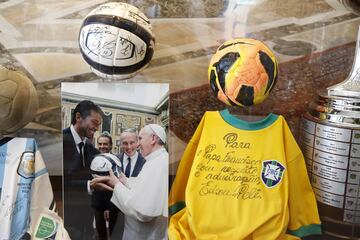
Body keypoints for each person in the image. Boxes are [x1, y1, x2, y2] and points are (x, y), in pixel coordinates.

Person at [91, 124, 168, 240]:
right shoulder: (155, 161)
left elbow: (143, 211)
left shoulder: (158, 164)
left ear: (153, 139)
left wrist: (116, 184)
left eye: (140, 139)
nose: (137, 145)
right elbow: (143, 187)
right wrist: (125, 180)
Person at [92, 129, 146, 240]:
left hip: (136, 211)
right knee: (114, 236)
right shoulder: (112, 160)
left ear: (137, 142)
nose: (129, 146)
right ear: (120, 144)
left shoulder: (146, 162)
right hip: (115, 210)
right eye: (125, 143)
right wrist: (107, 206)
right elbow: (107, 184)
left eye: (132, 142)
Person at [63, 100, 103, 239]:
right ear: (79, 117)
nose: (97, 128)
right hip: (65, 221)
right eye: (94, 122)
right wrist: (89, 185)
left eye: (98, 124)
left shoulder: (93, 151)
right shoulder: (59, 142)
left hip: (86, 223)